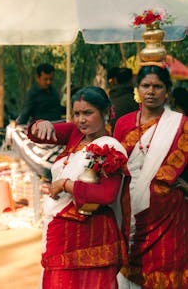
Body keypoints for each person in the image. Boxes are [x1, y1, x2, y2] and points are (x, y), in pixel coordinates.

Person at [28, 86, 130, 289]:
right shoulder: (76, 134)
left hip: (91, 234)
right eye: (77, 114)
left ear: (106, 112)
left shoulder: (111, 147)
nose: (81, 119)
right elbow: (39, 135)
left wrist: (66, 185)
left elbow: (106, 194)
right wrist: (41, 123)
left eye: (88, 113)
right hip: (60, 231)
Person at [114, 65, 187, 289]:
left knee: (169, 266)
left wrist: (186, 185)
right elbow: (114, 165)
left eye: (158, 86)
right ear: (137, 89)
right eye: (146, 86)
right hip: (130, 210)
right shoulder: (123, 123)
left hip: (170, 214)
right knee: (131, 268)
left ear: (167, 91)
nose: (151, 91)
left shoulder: (181, 124)